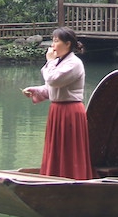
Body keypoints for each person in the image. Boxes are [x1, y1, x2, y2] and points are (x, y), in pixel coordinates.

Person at [22, 27, 94, 180]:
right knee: (55, 148)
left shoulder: (74, 63)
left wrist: (50, 61)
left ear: (67, 44)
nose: (53, 45)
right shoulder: (60, 63)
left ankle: (74, 178)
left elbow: (53, 80)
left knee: (70, 148)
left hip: (70, 112)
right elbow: (52, 89)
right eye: (53, 41)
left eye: (56, 41)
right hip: (57, 110)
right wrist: (35, 91)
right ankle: (53, 176)